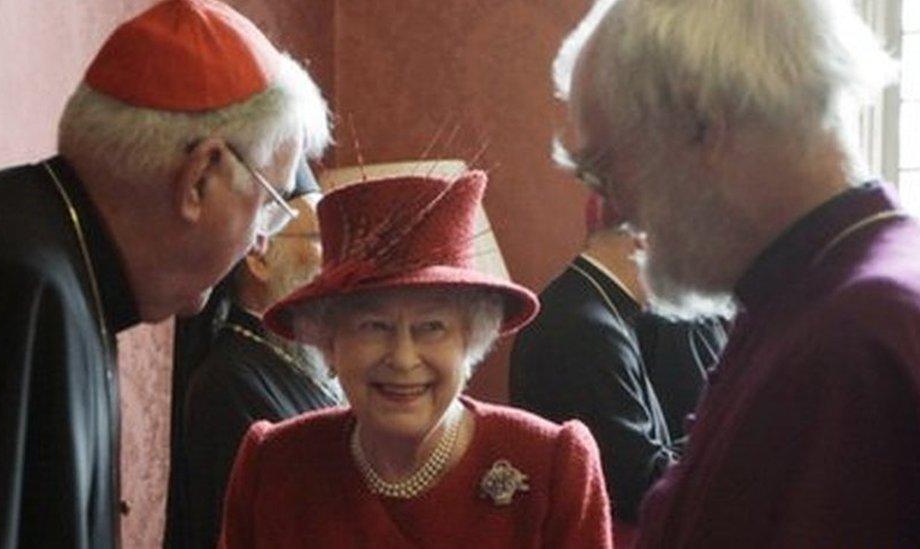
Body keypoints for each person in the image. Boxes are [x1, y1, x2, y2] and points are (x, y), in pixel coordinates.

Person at [0, 1, 329, 546]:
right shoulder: (23, 289)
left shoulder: (56, 262)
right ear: (200, 178)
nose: (259, 241)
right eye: (268, 206)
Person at [555, 0, 920, 546]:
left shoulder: (856, 335)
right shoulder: (809, 297)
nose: (606, 212)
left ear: (701, 122)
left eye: (603, 168)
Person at [219, 172, 613, 548]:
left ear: (470, 340)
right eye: (373, 326)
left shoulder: (550, 464)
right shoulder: (275, 464)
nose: (403, 358)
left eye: (432, 327)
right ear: (329, 343)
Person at [509, 192, 726, 528]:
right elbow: (636, 485)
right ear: (643, 239)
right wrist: (732, 430)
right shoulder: (585, 329)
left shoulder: (592, 307)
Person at [174, 162, 342, 549]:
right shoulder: (227, 384)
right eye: (322, 240)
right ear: (259, 258)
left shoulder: (308, 364)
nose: (337, 264)